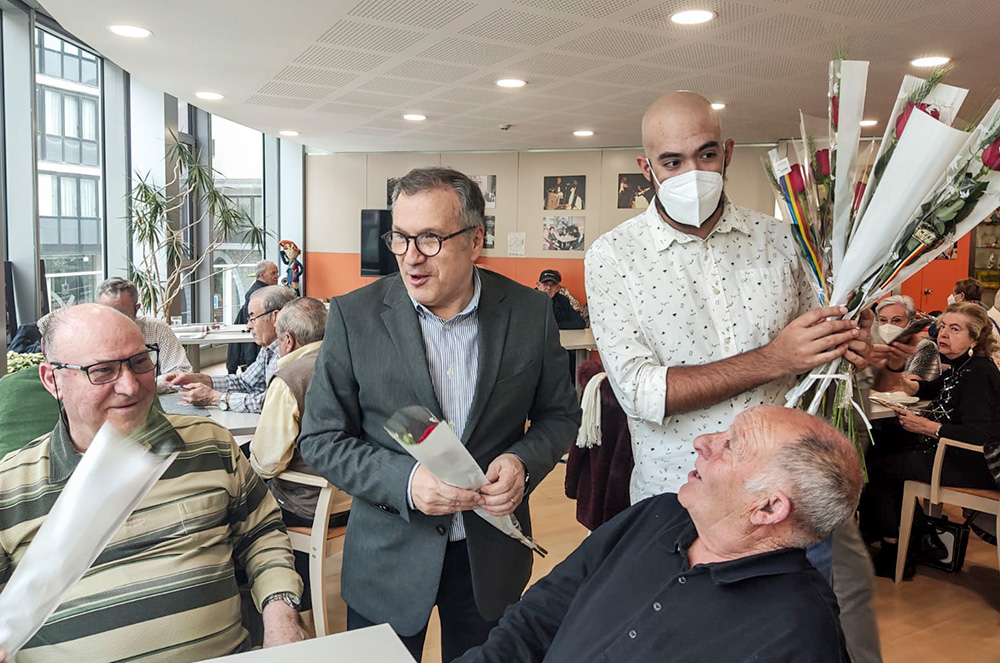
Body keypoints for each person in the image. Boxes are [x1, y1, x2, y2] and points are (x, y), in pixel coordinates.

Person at [584, 91, 881, 663]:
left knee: (822, 634)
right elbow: (642, 392)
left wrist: (848, 343)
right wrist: (774, 358)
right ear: (646, 167)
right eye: (671, 161)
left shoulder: (782, 240)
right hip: (683, 502)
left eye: (706, 153)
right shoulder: (614, 256)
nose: (692, 172)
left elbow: (817, 346)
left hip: (790, 496)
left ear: (728, 153)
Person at [298, 167, 581, 663]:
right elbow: (321, 439)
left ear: (475, 240)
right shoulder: (353, 316)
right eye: (400, 238)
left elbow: (559, 417)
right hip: (386, 559)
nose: (411, 256)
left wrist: (522, 463)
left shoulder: (529, 313)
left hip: (489, 560)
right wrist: (407, 483)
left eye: (429, 238)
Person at [0, 304, 305, 662]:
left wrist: (281, 613)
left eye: (140, 362)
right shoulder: (11, 487)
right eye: (103, 371)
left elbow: (261, 532)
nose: (130, 386)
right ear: (53, 381)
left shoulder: (211, 444)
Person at [456, 405, 861, 663]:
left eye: (731, 446)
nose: (702, 442)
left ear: (769, 508)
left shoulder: (799, 633)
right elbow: (538, 616)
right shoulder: (655, 516)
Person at [861, 302, 1000, 577]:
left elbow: (982, 434)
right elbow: (931, 388)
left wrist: (927, 427)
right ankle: (918, 537)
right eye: (943, 326)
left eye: (955, 329)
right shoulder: (962, 365)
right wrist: (906, 382)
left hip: (971, 463)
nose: (944, 334)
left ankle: (896, 548)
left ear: (975, 339)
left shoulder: (979, 373)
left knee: (876, 466)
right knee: (881, 446)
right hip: (948, 453)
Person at [249, 296, 331, 608]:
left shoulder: (290, 379)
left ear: (288, 340)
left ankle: (271, 601)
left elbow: (267, 464)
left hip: (305, 504)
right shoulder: (352, 364)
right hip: (356, 501)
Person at [163, 285, 295, 413]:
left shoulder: (289, 352)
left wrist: (216, 398)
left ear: (275, 317)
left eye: (253, 318)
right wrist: (201, 379)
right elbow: (245, 383)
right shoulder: (269, 349)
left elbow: (272, 403)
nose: (249, 325)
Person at [96, 276, 192, 392]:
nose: (113, 319)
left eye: (121, 314)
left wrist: (146, 387)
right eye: (106, 312)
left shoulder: (156, 329)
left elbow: (181, 373)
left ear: (136, 309)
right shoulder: (89, 335)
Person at [870, 295, 940, 391]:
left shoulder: (924, 346)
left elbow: (904, 388)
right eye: (883, 320)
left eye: (897, 320)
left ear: (910, 322)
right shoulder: (874, 347)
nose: (888, 325)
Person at [228, 260, 280, 373]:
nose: (277, 276)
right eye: (273, 273)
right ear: (262, 275)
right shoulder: (260, 295)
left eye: (277, 273)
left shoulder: (260, 291)